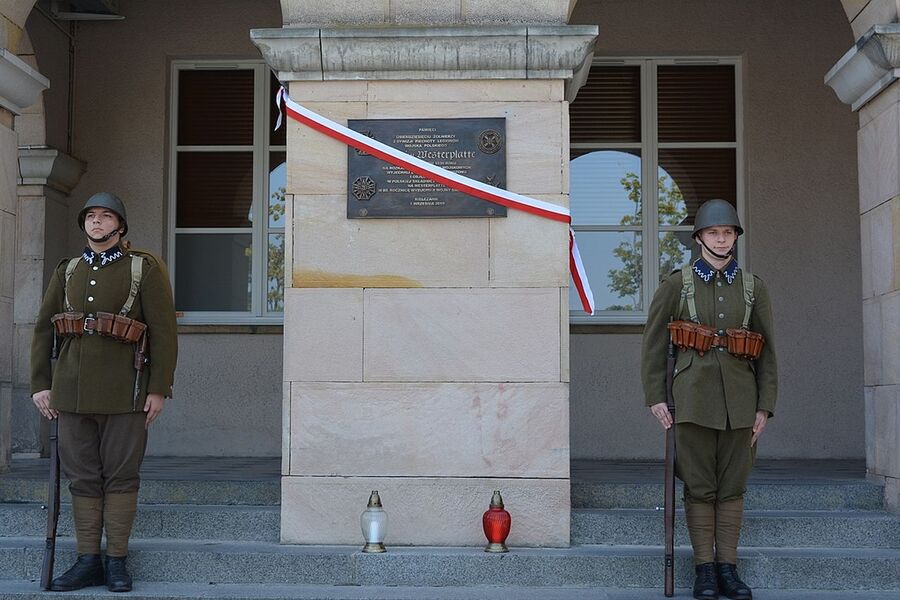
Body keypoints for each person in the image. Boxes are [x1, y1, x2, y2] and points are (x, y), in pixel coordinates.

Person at [30, 192, 177, 593]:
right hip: (71, 392)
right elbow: (44, 328)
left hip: (126, 390)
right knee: (82, 478)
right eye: (91, 216)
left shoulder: (141, 269)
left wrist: (158, 389)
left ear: (120, 226)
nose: (96, 222)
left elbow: (163, 331)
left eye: (106, 216)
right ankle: (87, 560)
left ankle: (116, 562)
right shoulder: (68, 270)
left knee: (121, 476)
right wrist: (41, 384)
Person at [641, 199, 777, 600]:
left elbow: (768, 352)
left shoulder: (754, 288)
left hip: (741, 402)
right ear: (699, 237)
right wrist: (656, 397)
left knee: (732, 487)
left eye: (728, 232)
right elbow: (653, 346)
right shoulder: (675, 285)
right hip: (692, 402)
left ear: (735, 237)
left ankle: (728, 570)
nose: (722, 238)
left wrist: (764, 405)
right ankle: (703, 569)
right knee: (700, 487)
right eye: (714, 232)